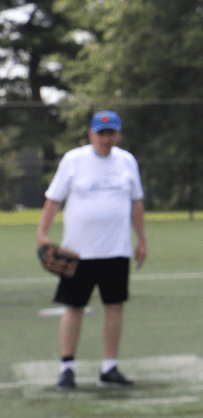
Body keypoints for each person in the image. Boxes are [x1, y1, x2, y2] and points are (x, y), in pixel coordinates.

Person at [36, 110, 148, 389]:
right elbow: (53, 199)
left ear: (118, 134)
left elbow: (136, 202)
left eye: (111, 133)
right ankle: (67, 367)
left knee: (114, 306)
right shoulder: (74, 160)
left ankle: (109, 367)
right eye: (101, 133)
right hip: (79, 252)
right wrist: (42, 233)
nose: (106, 139)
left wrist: (142, 240)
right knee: (74, 307)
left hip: (116, 250)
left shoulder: (126, 161)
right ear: (91, 135)